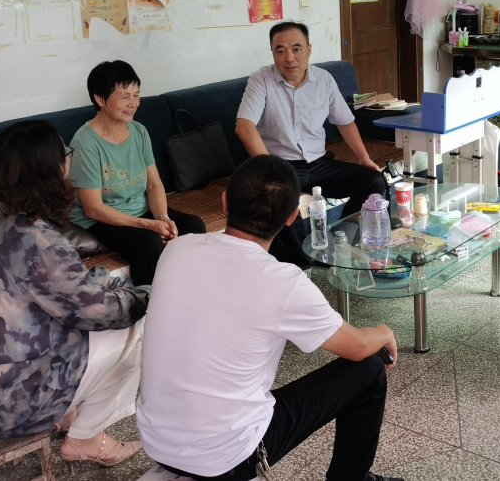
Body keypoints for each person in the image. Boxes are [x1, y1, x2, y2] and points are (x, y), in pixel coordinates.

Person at [137, 155, 402, 481]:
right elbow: (358, 347)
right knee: (369, 370)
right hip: (227, 458)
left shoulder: (178, 249)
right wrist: (384, 330)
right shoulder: (284, 282)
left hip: (156, 440)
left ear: (224, 201)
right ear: (291, 217)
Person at [0, 120, 150, 471]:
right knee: (138, 327)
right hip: (12, 407)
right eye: (66, 154)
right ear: (53, 169)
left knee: (112, 295)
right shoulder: (39, 242)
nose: (69, 161)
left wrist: (107, 283)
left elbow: (56, 293)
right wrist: (151, 294)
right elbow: (104, 313)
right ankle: (86, 438)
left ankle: (69, 411)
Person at [236, 20, 386, 267]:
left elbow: (345, 121)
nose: (289, 57)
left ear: (309, 49)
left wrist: (363, 157)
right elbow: (244, 127)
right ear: (272, 53)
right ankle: (303, 266)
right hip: (281, 165)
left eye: (296, 49)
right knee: (280, 198)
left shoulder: (324, 79)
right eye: (280, 50)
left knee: (374, 181)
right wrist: (271, 169)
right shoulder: (261, 80)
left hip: (319, 163)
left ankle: (341, 241)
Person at [68, 60, 206, 287]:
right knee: (149, 241)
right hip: (102, 219)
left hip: (139, 209)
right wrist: (148, 225)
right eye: (125, 97)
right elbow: (93, 209)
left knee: (194, 226)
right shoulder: (85, 143)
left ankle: (190, 290)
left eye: (136, 95)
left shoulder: (139, 131)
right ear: (100, 99)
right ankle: (149, 300)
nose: (133, 104)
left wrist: (163, 219)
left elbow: (153, 185)